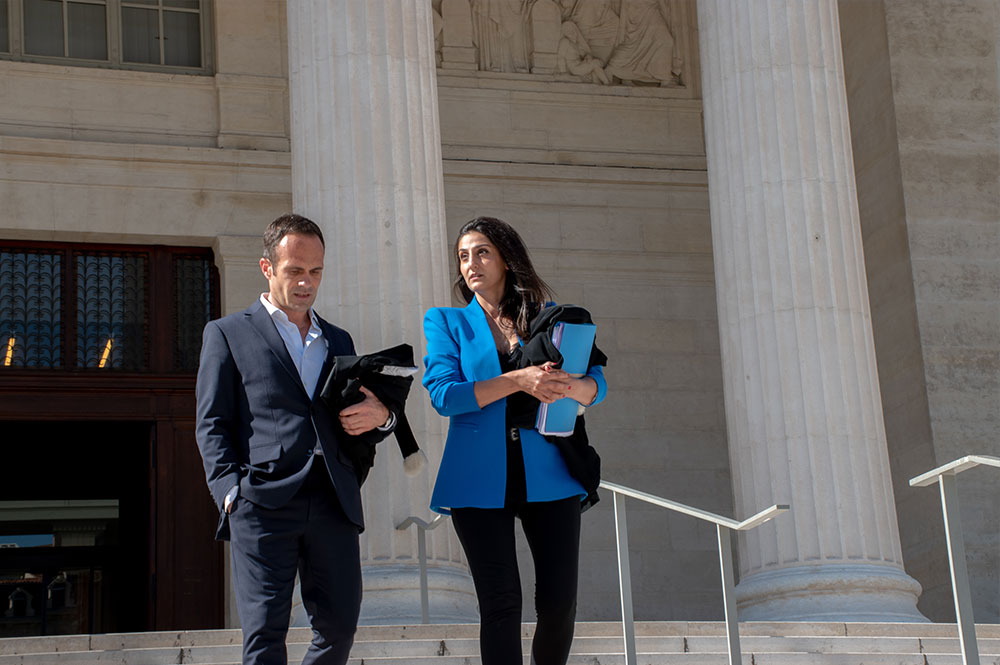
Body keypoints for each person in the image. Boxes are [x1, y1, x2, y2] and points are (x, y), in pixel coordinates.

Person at [195, 213, 396, 665]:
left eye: (316, 272)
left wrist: (382, 418)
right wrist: (230, 493)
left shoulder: (338, 339)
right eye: (295, 271)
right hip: (262, 502)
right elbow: (211, 423)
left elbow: (358, 414)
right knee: (265, 634)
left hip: (332, 501)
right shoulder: (226, 333)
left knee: (340, 626)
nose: (307, 283)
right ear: (267, 268)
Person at [421, 216, 607, 664]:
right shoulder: (445, 322)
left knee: (559, 604)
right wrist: (519, 379)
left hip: (551, 473)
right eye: (463, 256)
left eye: (482, 252)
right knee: (501, 605)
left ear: (506, 257)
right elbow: (446, 396)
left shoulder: (548, 313)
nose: (471, 264)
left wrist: (568, 385)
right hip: (477, 479)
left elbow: (595, 383)